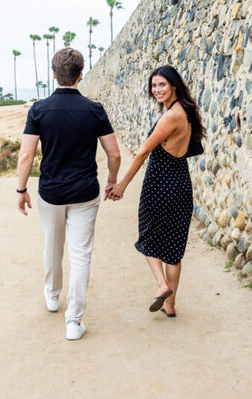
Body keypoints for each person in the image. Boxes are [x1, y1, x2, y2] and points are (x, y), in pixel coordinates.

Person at [17, 47, 121, 341]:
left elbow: (26, 156)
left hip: (50, 192)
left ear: (54, 74)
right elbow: (113, 153)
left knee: (52, 244)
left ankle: (52, 296)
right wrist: (112, 181)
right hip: (86, 192)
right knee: (80, 254)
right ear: (80, 74)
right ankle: (73, 321)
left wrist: (21, 189)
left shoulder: (38, 110)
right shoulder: (95, 110)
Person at [109, 65, 204, 318]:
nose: (157, 89)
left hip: (160, 183)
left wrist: (122, 185)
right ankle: (170, 306)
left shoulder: (170, 116)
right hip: (181, 183)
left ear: (174, 85)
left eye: (162, 84)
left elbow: (142, 152)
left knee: (147, 236)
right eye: (154, 85)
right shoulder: (185, 111)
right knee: (173, 249)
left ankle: (162, 286)